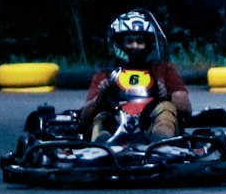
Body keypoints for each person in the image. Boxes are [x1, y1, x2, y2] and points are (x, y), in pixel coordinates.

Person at [80, 8, 191, 142]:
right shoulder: (105, 74)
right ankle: (102, 144)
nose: (135, 46)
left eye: (140, 42)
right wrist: (101, 97)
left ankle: (161, 141)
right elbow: (85, 116)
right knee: (102, 115)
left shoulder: (162, 69)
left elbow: (185, 107)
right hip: (115, 125)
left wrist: (165, 95)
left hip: (150, 123)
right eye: (130, 41)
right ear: (119, 44)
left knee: (166, 108)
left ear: (148, 45)